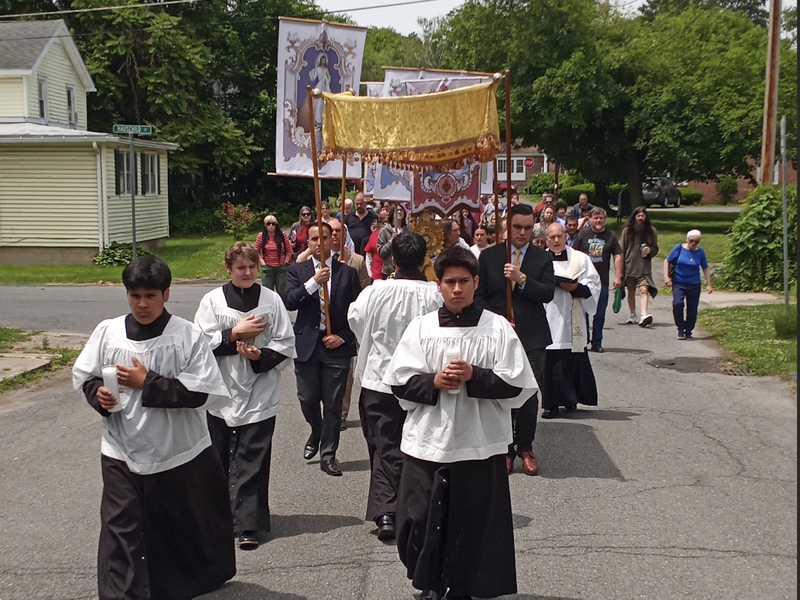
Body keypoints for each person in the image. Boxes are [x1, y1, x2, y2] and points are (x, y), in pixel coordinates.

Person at [72, 255, 236, 600]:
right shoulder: (109, 331)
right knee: (122, 526)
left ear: (167, 294)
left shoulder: (187, 336)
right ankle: (123, 592)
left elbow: (203, 392)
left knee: (174, 525)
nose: (142, 304)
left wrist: (149, 381)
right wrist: (97, 395)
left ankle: (179, 583)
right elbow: (85, 374)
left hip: (176, 449)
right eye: (135, 296)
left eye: (150, 296)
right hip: (120, 447)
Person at [383, 246, 538, 600]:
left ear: (476, 282)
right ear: (437, 285)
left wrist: (475, 375)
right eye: (449, 282)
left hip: (478, 442)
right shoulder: (421, 327)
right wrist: (434, 382)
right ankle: (431, 581)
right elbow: (398, 379)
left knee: (471, 522)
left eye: (464, 282)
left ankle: (461, 586)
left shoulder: (496, 327)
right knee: (417, 519)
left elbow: (519, 384)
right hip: (429, 439)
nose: (457, 289)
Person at [194, 243, 296, 551]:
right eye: (241, 268)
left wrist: (259, 355)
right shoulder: (212, 301)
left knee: (253, 457)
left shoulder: (271, 300)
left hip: (260, 388)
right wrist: (233, 335)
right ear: (229, 268)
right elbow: (199, 342)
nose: (248, 273)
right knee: (222, 457)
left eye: (252, 267)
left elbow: (285, 341)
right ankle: (223, 518)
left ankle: (249, 523)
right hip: (223, 391)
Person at [347, 232, 442, 543]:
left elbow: (356, 321)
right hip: (420, 381)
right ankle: (388, 509)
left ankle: (395, 508)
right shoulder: (435, 296)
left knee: (385, 444)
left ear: (393, 260)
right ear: (425, 259)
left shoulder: (376, 293)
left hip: (381, 378)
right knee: (404, 445)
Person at [475, 203, 555, 476]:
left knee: (529, 393)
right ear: (507, 227)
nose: (522, 233)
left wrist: (522, 279)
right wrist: (497, 319)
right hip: (499, 335)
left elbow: (547, 293)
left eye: (528, 228)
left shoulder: (541, 258)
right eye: (517, 227)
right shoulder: (490, 257)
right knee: (502, 391)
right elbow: (479, 296)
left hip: (532, 336)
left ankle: (526, 447)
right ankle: (506, 448)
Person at [285, 222, 362, 477]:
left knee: (332, 403)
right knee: (307, 399)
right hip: (307, 344)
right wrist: (313, 283)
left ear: (333, 241)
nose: (320, 243)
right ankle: (316, 432)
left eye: (325, 237)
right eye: (314, 238)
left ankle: (328, 455)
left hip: (335, 347)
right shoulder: (298, 271)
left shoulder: (347, 273)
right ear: (308, 242)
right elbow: (290, 301)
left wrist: (343, 337)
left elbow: (357, 315)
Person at [541, 223, 601, 418]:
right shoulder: (539, 259)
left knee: (571, 358)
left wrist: (576, 289)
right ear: (546, 239)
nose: (556, 241)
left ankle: (570, 399)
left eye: (559, 236)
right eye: (552, 237)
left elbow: (594, 283)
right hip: (548, 314)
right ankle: (550, 404)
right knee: (550, 362)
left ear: (566, 236)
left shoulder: (580, 258)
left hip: (572, 315)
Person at [572, 207, 623, 352]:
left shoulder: (610, 236)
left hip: (603, 282)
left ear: (605, 220)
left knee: (600, 313)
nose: (598, 220)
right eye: (596, 218)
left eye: (601, 218)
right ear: (591, 219)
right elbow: (574, 254)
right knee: (583, 312)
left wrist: (618, 276)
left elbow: (618, 255)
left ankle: (597, 342)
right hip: (584, 281)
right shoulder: (583, 235)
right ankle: (584, 340)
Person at [664, 229, 713, 340]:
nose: (693, 244)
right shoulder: (679, 248)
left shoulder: (700, 252)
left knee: (692, 308)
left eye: (696, 242)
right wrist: (666, 277)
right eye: (691, 241)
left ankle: (688, 330)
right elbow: (667, 261)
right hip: (679, 282)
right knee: (678, 303)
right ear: (687, 239)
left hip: (694, 284)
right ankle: (680, 328)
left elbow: (705, 268)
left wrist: (709, 284)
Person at [621, 206, 659, 327]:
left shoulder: (651, 231)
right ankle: (632, 314)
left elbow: (655, 248)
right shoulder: (627, 231)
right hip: (629, 266)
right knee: (631, 291)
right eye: (638, 216)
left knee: (644, 290)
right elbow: (621, 250)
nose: (640, 218)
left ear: (646, 217)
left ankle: (644, 314)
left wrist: (650, 250)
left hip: (644, 268)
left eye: (643, 216)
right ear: (634, 217)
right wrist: (620, 270)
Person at [254, 214, 292, 298]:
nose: (271, 226)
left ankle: (282, 308)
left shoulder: (282, 235)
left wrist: (286, 261)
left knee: (282, 292)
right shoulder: (261, 236)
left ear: (276, 225)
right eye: (268, 224)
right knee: (268, 293)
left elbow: (289, 250)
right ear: (265, 225)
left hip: (281, 267)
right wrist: (262, 263)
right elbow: (256, 251)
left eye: (273, 224)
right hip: (267, 267)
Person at [377, 203, 407, 278]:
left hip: (404, 271)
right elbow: (381, 252)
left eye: (401, 210)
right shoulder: (384, 231)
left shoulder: (408, 231)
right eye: (397, 210)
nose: (399, 212)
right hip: (388, 272)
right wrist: (390, 242)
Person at [345, 192, 379, 256]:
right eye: (357, 204)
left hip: (367, 252)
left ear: (366, 203)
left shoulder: (373, 217)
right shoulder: (348, 217)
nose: (359, 206)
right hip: (351, 252)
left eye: (361, 203)